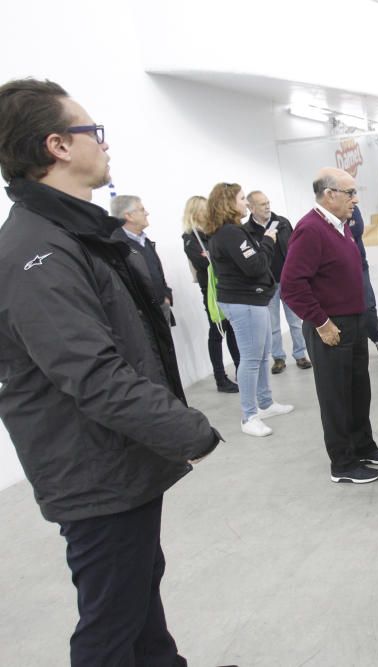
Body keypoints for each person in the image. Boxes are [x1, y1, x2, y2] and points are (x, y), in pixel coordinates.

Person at [0, 77, 220, 666]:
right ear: (58, 146)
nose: (104, 144)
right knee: (108, 626)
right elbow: (92, 374)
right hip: (92, 471)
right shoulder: (36, 249)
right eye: (92, 132)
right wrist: (187, 430)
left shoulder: (73, 231)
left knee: (137, 589)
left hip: (114, 460)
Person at [282, 168, 378, 483]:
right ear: (329, 194)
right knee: (336, 397)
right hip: (331, 327)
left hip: (354, 323)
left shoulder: (340, 225)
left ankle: (363, 445)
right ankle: (343, 464)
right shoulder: (310, 230)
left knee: (359, 392)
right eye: (351, 193)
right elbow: (292, 285)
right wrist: (321, 322)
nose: (356, 199)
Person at [207, 182, 294, 437]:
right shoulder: (230, 234)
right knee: (251, 359)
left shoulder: (231, 232)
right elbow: (255, 266)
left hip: (254, 301)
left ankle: (265, 403)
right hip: (243, 303)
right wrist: (267, 241)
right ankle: (249, 416)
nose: (245, 203)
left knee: (263, 353)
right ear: (228, 203)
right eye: (242, 198)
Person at [244, 190, 311, 373]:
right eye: (262, 204)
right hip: (267, 284)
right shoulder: (247, 231)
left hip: (289, 281)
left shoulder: (282, 223)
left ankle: (300, 355)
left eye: (267, 202)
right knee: (272, 325)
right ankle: (278, 358)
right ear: (251, 207)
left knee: (295, 321)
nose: (267, 206)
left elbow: (295, 248)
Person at [182, 195, 240, 392]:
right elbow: (204, 262)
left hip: (225, 287)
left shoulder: (211, 234)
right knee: (217, 331)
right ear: (196, 212)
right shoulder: (191, 238)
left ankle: (240, 370)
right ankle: (220, 378)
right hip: (211, 292)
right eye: (204, 209)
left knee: (231, 329)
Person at [110, 195, 174, 326]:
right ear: (129, 216)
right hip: (141, 316)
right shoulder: (116, 245)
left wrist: (166, 295)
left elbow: (157, 269)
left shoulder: (144, 240)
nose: (147, 213)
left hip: (161, 306)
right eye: (141, 209)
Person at [348, 207, 378, 358]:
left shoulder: (354, 208)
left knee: (368, 306)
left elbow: (357, 229)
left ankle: (377, 338)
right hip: (339, 270)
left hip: (360, 266)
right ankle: (355, 344)